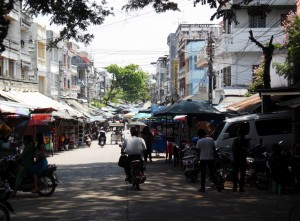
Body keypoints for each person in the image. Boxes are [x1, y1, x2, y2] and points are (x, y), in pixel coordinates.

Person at [231, 124, 250, 192]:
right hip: (237, 159)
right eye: (240, 134)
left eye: (242, 134)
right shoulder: (236, 141)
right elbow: (233, 150)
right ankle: (235, 186)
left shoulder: (246, 141)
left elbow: (248, 150)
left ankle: (240, 187)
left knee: (242, 174)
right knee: (235, 173)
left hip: (242, 159)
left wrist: (246, 149)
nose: (241, 136)